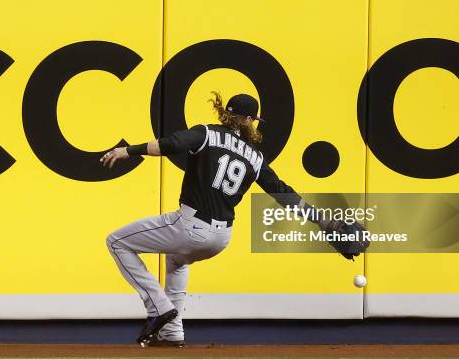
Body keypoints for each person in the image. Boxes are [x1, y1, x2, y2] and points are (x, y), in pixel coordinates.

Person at [101, 92, 367, 347]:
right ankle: (172, 332)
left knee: (116, 242)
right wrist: (322, 221)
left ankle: (159, 308)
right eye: (254, 120)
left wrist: (129, 150)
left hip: (191, 225)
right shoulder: (256, 157)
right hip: (220, 238)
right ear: (248, 120)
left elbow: (172, 144)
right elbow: (282, 193)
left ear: (226, 115)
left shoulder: (206, 133)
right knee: (177, 259)